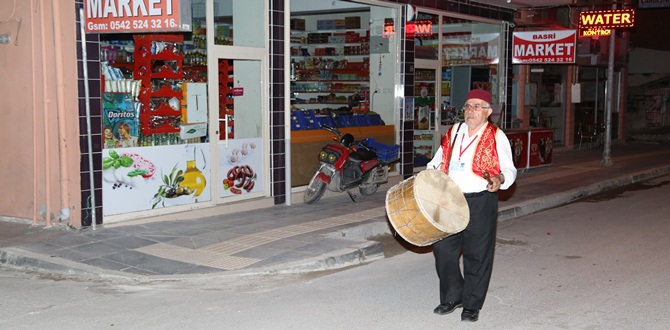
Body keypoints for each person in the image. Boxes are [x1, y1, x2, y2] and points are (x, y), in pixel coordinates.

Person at [426, 89, 517, 322]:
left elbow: (509, 170)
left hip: (480, 200)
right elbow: (437, 161)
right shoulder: (454, 132)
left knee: (477, 254)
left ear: (488, 112)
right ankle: (453, 296)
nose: (470, 111)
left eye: (477, 106)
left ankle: (471, 303)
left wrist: (499, 179)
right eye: (467, 106)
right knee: (444, 250)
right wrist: (431, 175)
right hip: (450, 200)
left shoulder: (497, 135)